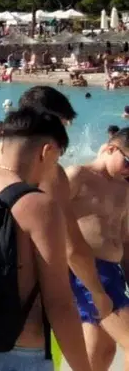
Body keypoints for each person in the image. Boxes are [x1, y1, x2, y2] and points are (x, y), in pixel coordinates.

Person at [0, 86, 124, 370]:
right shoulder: (48, 179)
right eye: (62, 125)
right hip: (20, 339)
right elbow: (70, 258)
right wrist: (97, 291)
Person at [66, 128, 129, 370]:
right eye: (128, 162)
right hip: (87, 271)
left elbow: (124, 239)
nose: (128, 170)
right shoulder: (78, 175)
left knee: (100, 354)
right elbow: (48, 219)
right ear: (111, 148)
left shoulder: (123, 188)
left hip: (113, 272)